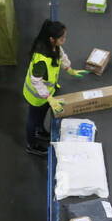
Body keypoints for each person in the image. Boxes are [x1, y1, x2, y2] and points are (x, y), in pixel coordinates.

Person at [23, 19, 88, 156]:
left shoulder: (53, 46)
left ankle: (39, 130)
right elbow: (36, 81)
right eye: (62, 37)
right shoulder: (41, 59)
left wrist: (69, 69)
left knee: (42, 113)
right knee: (33, 119)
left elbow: (61, 55)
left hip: (48, 93)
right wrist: (49, 98)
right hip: (36, 95)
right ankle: (31, 144)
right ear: (52, 39)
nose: (65, 39)